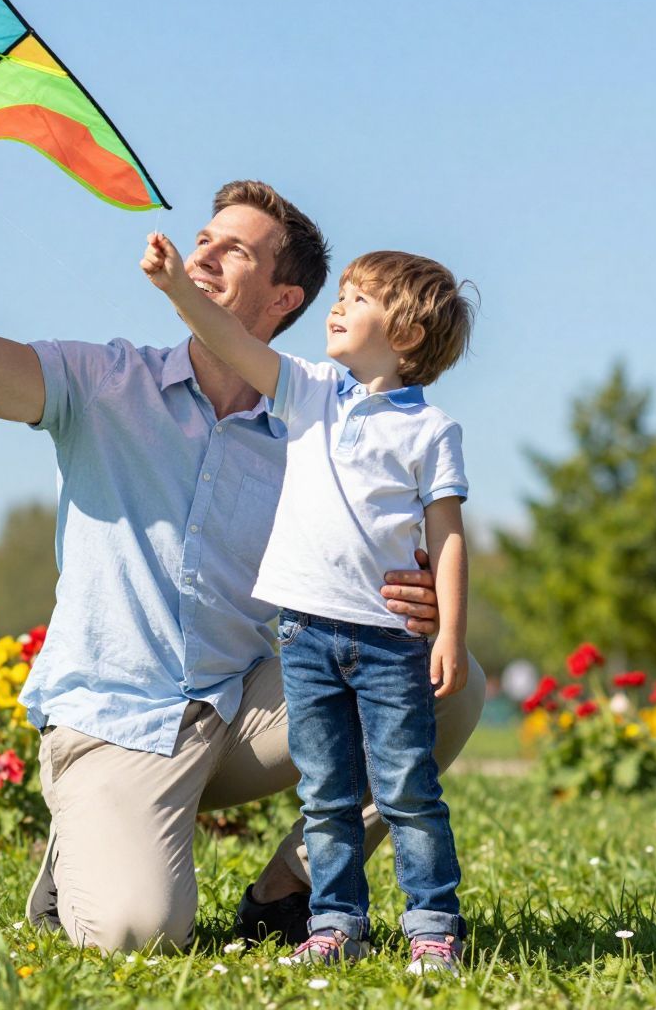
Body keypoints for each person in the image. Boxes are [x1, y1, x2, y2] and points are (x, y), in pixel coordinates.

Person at [0, 137, 487, 954]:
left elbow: (382, 543)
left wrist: (423, 600)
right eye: (204, 238)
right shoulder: (100, 383)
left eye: (236, 249)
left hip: (238, 710)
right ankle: (84, 848)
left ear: (282, 297)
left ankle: (286, 891)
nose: (204, 254)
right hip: (115, 722)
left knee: (450, 684)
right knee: (137, 932)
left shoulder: (318, 425)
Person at [142, 236, 476, 973]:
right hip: (304, 637)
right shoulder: (309, 391)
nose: (337, 307)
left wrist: (450, 631)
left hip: (389, 642)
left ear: (407, 335)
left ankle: (432, 928)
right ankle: (334, 925)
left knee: (406, 792)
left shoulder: (430, 430)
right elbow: (231, 338)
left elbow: (447, 537)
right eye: (341, 294)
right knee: (325, 796)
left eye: (357, 299)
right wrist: (178, 290)